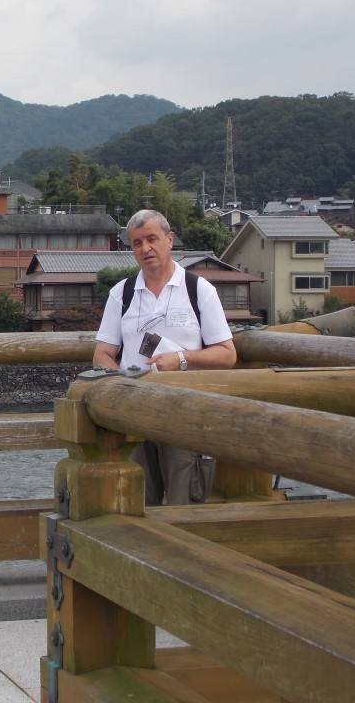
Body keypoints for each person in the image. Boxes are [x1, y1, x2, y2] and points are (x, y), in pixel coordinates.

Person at [93, 209, 236, 505]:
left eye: (152, 239)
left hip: (186, 411)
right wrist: (121, 383)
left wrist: (181, 359)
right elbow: (102, 354)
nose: (145, 248)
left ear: (169, 240)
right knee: (137, 503)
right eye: (137, 243)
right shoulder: (122, 293)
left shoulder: (198, 290)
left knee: (184, 503)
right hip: (135, 412)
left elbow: (227, 354)